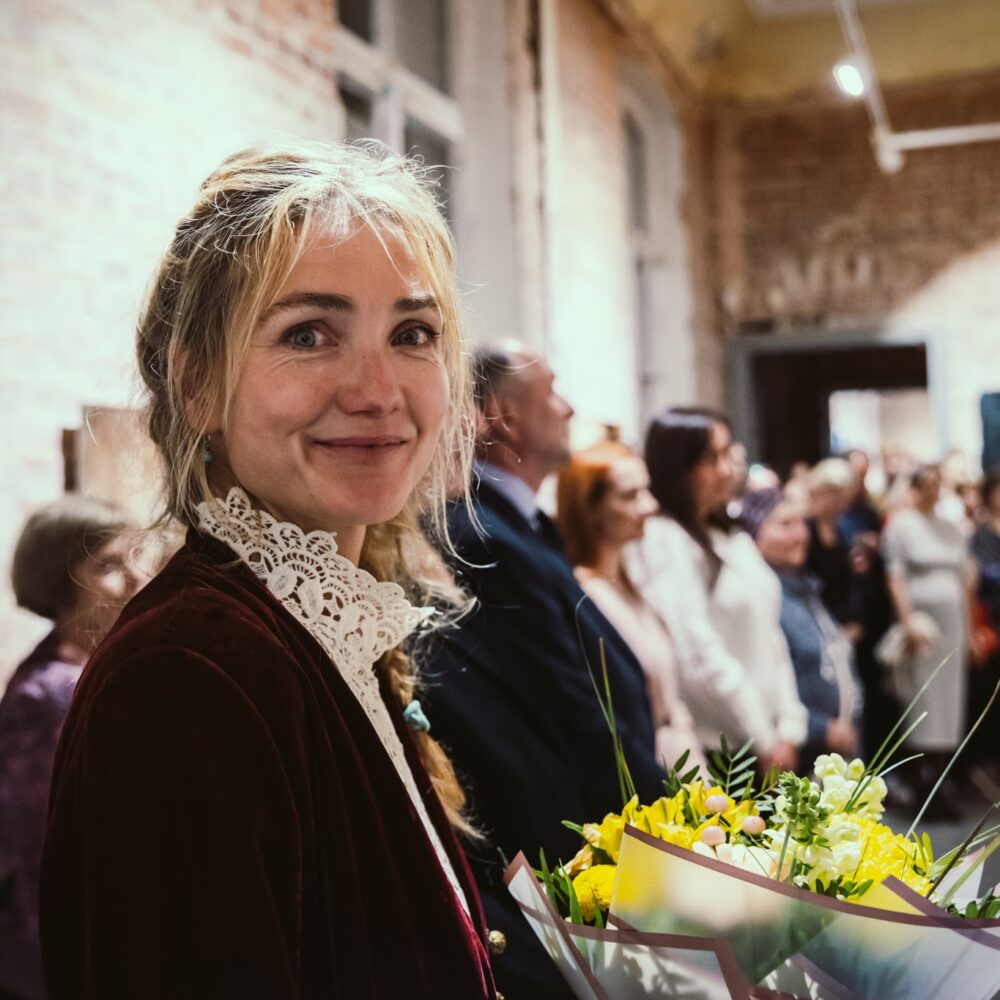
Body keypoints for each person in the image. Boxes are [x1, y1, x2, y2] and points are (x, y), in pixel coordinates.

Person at [40, 142, 497, 998]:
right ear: (199, 387)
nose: (377, 390)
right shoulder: (187, 675)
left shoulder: (317, 630)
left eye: (413, 334)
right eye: (309, 334)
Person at [423, 347, 662, 1000]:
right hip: (571, 840)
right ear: (502, 416)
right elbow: (568, 699)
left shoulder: (523, 524)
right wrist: (650, 825)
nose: (571, 408)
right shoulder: (482, 535)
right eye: (551, 392)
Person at [0, 497, 143, 1000]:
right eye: (109, 565)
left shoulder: (93, 673)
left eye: (134, 559)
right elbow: (48, 857)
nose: (135, 579)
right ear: (60, 584)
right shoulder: (51, 695)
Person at [637, 408, 807, 774]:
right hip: (722, 746)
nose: (728, 470)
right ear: (677, 467)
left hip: (768, 738)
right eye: (711, 459)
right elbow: (697, 654)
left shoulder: (731, 537)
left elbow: (770, 636)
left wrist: (790, 724)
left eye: (728, 454)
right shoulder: (665, 540)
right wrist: (761, 737)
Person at [555, 441, 704, 769]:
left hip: (680, 755)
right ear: (589, 507)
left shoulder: (630, 584)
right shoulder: (586, 596)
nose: (649, 506)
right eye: (629, 496)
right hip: (642, 766)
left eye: (646, 491)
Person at [882, 464, 976, 815]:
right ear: (916, 488)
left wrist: (969, 629)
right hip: (924, 624)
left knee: (951, 704)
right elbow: (896, 576)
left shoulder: (950, 527)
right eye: (929, 485)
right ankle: (922, 781)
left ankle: (944, 779)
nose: (935, 491)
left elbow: (964, 578)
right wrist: (908, 621)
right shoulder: (902, 525)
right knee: (923, 701)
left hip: (953, 624)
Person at [745, 488, 862, 769]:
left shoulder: (806, 588)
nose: (800, 534)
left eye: (801, 523)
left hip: (834, 758)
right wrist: (820, 728)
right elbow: (759, 682)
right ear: (753, 534)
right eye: (785, 525)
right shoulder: (759, 599)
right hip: (797, 759)